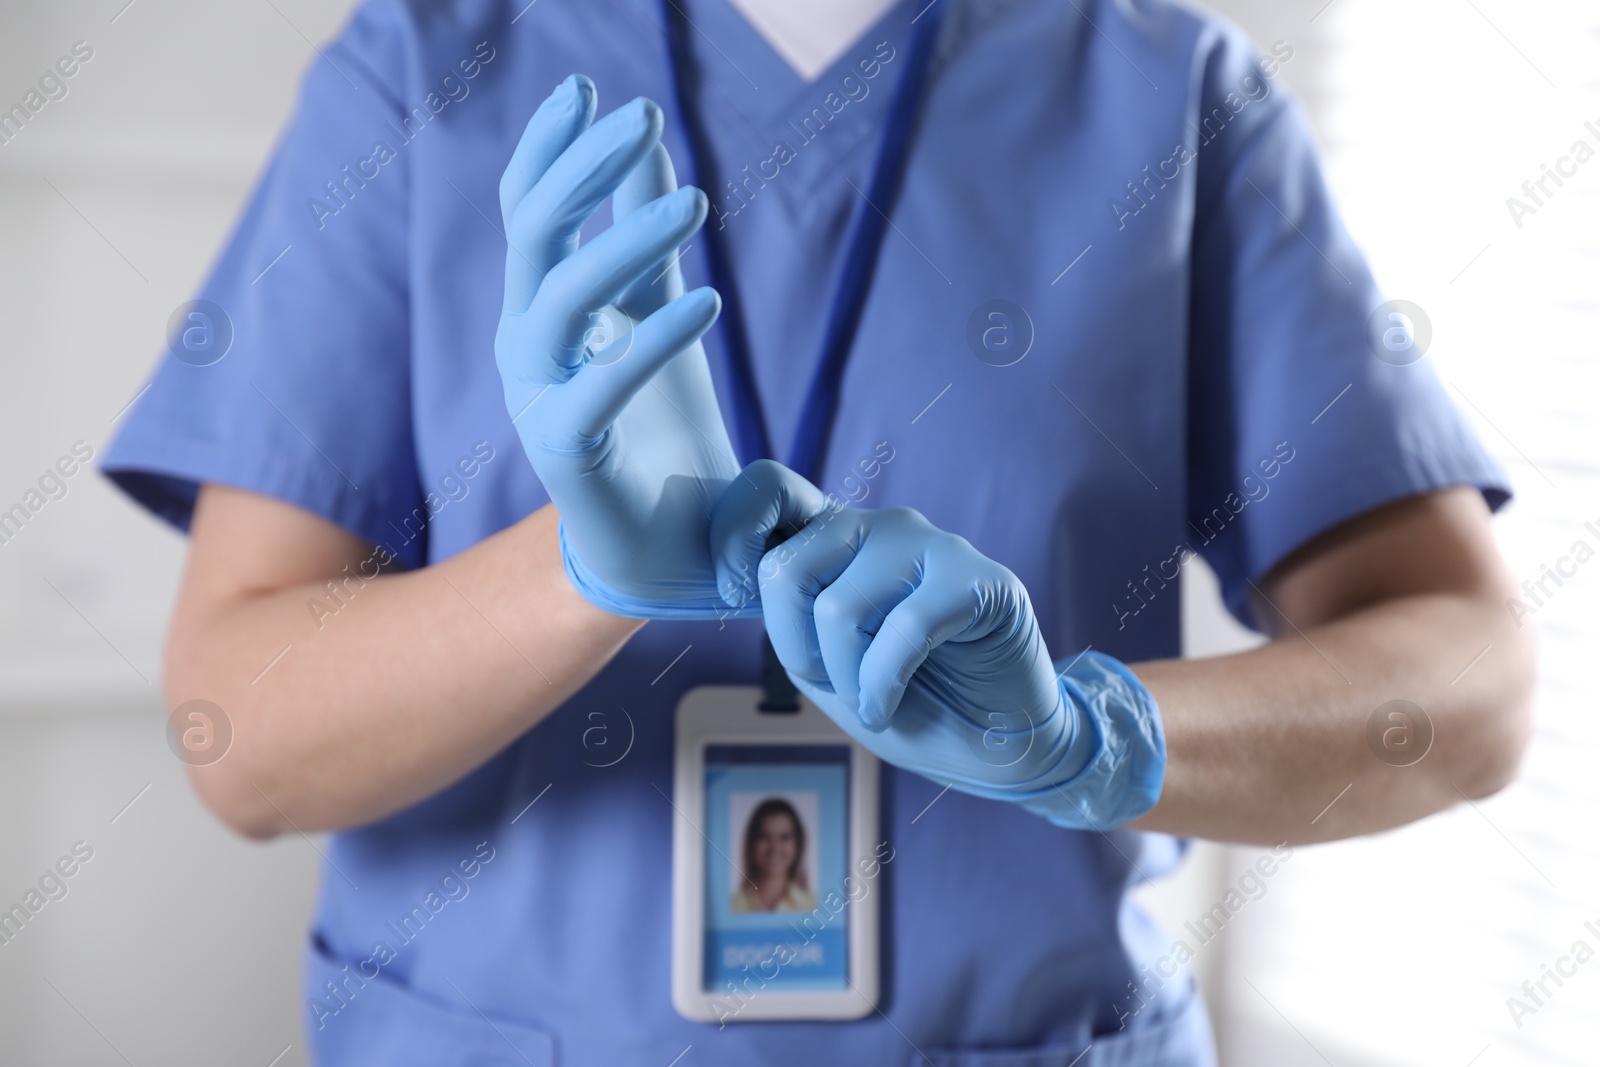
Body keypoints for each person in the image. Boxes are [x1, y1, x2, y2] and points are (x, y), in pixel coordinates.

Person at [102, 0, 1535, 1062]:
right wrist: (582, 567)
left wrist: (1096, 740)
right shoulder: (428, 70)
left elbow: (1470, 687)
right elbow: (239, 738)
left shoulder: (1169, 95)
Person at [730, 798, 817, 913]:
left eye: (784, 837)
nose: (774, 848)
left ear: (798, 844)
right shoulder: (733, 905)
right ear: (751, 843)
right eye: (764, 837)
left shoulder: (812, 905)